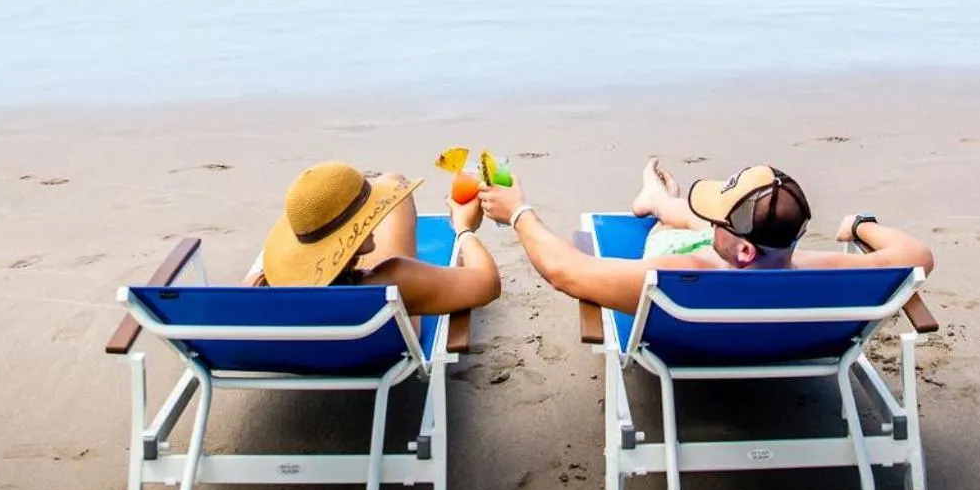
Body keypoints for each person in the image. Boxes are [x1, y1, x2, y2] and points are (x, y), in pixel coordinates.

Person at [479, 156, 933, 315]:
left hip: (697, 321)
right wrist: (860, 226)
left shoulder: (679, 276)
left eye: (720, 220)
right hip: (789, 324)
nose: (714, 222)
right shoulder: (830, 271)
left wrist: (517, 211)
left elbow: (568, 271)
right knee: (695, 226)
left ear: (744, 248)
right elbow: (918, 256)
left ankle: (657, 205)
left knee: (681, 231)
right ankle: (658, 198)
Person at [259, 159, 500, 315]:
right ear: (358, 236)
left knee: (391, 179)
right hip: (373, 340)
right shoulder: (393, 282)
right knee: (392, 179)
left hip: (305, 350)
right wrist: (463, 227)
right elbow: (488, 282)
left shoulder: (259, 290)